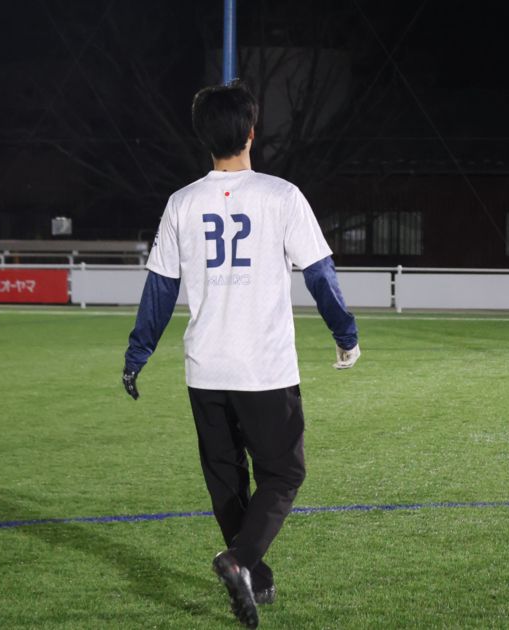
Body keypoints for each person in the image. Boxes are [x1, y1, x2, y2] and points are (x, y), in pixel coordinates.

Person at [121, 80, 359, 629]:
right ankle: (240, 560)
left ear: (203, 136)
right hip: (264, 366)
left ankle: (256, 575)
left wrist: (137, 354)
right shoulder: (281, 196)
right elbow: (320, 274)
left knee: (227, 482)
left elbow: (160, 288)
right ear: (252, 132)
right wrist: (345, 334)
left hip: (205, 368)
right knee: (285, 472)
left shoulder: (182, 203)